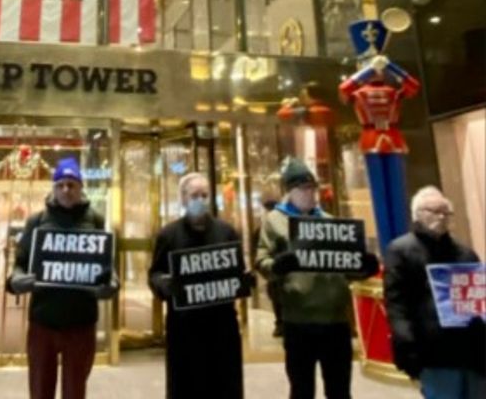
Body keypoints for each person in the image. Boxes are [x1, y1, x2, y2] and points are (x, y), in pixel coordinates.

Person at [255, 158, 379, 399]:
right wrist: (278, 267)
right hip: (298, 320)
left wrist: (363, 268)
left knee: (339, 388)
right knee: (301, 388)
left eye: (314, 189)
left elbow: (346, 266)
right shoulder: (275, 222)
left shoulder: (330, 222)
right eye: (305, 189)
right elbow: (262, 261)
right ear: (290, 192)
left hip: (335, 320)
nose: (312, 194)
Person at [6, 157, 119, 399]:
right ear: (53, 188)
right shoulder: (36, 222)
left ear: (81, 188)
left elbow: (107, 266)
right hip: (43, 321)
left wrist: (112, 283)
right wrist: (15, 281)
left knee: (75, 391)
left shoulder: (96, 220)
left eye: (72, 184)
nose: (66, 190)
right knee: (39, 390)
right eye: (61, 185)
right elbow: (20, 263)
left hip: (81, 321)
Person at [149, 172, 254, 399]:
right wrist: (163, 286)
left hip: (222, 327)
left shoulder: (226, 232)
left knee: (224, 387)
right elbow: (155, 273)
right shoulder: (169, 234)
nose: (200, 200)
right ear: (184, 199)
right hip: (184, 330)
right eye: (194, 195)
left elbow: (237, 273)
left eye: (205, 195)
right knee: (186, 388)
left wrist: (246, 281)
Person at [384, 186, 486, 398]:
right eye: (433, 211)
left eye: (445, 212)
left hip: (472, 351)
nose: (440, 217)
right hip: (433, 352)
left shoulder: (466, 254)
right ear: (417, 215)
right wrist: (406, 345)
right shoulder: (400, 250)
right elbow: (397, 303)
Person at [252, 196, 283, 337]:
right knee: (276, 295)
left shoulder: (277, 226)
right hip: (274, 268)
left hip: (279, 267)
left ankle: (281, 324)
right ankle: (280, 323)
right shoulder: (261, 230)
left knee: (278, 296)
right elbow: (257, 252)